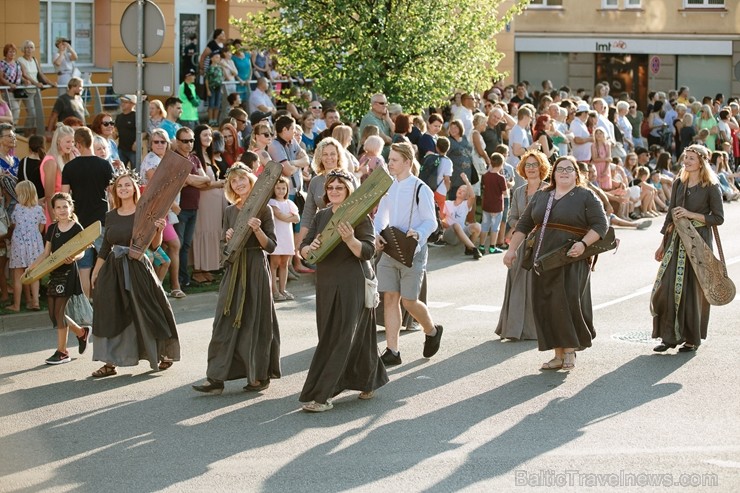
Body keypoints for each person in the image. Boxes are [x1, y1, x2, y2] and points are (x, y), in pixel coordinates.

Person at [503, 155, 609, 370]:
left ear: (576, 173)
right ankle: (558, 355)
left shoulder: (585, 195)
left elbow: (601, 225)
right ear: (554, 172)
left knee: (568, 303)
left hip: (572, 258)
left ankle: (569, 351)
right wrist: (511, 250)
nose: (564, 172)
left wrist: (583, 244)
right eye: (560, 168)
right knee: (547, 305)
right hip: (543, 260)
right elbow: (524, 224)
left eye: (569, 169)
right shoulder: (543, 195)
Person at [298, 169, 388, 412]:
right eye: (330, 188)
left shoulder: (359, 216)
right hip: (326, 283)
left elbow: (368, 251)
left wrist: (350, 239)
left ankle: (322, 395)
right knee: (347, 334)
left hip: (352, 283)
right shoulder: (321, 215)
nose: (334, 191)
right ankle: (369, 379)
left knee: (340, 337)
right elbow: (304, 248)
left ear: (349, 190)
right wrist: (309, 249)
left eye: (339, 187)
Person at [192, 163, 280, 394]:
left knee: (254, 322)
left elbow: (271, 246)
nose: (238, 184)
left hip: (255, 268)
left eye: (242, 179)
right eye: (233, 181)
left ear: (251, 180)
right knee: (223, 320)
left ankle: (258, 376)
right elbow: (225, 248)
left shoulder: (264, 209)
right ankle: (216, 378)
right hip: (234, 271)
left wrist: (258, 230)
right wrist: (229, 237)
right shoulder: (230, 211)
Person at [90, 171, 179, 378]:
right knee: (111, 313)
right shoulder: (110, 215)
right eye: (120, 186)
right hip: (114, 268)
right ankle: (109, 363)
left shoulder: (144, 211)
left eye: (127, 185)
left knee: (149, 309)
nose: (123, 189)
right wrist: (96, 271)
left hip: (138, 265)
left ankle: (161, 352)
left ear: (135, 188)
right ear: (115, 190)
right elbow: (105, 246)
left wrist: (158, 229)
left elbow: (155, 246)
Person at [374, 142, 443, 366]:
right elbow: (381, 217)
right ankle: (392, 351)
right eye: (389, 159)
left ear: (407, 161)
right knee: (390, 298)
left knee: (410, 301)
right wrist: (376, 233)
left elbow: (431, 222)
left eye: (394, 160)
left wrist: (419, 233)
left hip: (413, 251)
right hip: (390, 249)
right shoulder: (389, 186)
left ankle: (431, 330)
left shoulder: (420, 188)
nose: (390, 163)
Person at [651, 145, 724, 353]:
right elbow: (669, 216)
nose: (686, 161)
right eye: (685, 157)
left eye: (691, 158)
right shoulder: (678, 183)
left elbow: (718, 218)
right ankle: (668, 337)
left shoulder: (711, 186)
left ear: (701, 161)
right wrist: (663, 243)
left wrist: (691, 214)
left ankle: (691, 339)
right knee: (667, 286)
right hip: (676, 240)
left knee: (693, 290)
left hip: (698, 242)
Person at [25, 192, 89, 364]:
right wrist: (31, 268)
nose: (62, 210)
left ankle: (62, 352)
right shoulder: (52, 229)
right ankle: (81, 333)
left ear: (70, 208)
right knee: (53, 314)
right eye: (58, 207)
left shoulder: (76, 227)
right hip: (55, 273)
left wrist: (74, 257)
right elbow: (46, 253)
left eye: (65, 207)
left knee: (59, 312)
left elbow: (82, 250)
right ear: (53, 210)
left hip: (69, 273)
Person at [496, 150, 550, 341]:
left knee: (538, 286)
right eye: (528, 165)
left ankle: (536, 330)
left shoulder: (549, 190)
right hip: (521, 242)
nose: (531, 168)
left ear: (542, 167)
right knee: (518, 282)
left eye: (535, 165)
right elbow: (511, 217)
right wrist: (521, 227)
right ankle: (514, 328)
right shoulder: (519, 191)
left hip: (543, 242)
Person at [61, 127, 115, 298]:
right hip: (101, 220)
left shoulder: (69, 167)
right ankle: (105, 300)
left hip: (79, 222)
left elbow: (64, 196)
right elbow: (113, 193)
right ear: (92, 141)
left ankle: (86, 303)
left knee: (84, 268)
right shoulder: (104, 165)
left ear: (77, 143)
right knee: (105, 264)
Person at [139, 128, 184, 298]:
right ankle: (166, 286)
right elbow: (157, 184)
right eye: (156, 142)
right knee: (170, 246)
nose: (159, 144)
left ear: (168, 144)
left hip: (162, 211)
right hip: (152, 211)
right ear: (151, 144)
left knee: (163, 250)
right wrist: (173, 205)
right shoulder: (151, 159)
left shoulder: (165, 159)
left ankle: (159, 287)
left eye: (162, 141)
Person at [173, 127, 211, 290]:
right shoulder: (175, 159)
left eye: (191, 140)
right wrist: (192, 180)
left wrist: (190, 180)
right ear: (177, 142)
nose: (189, 144)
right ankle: (180, 280)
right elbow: (182, 180)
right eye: (185, 141)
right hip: (180, 208)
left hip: (194, 207)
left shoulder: (195, 158)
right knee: (178, 245)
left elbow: (207, 180)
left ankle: (185, 277)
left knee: (187, 245)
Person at [190, 124, 225, 285]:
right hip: (204, 201)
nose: (209, 138)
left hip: (215, 202)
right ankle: (197, 269)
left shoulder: (208, 155)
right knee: (202, 232)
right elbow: (203, 183)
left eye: (210, 135)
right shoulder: (195, 156)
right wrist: (220, 183)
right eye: (205, 135)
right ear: (197, 137)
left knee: (213, 232)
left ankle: (206, 268)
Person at [7, 180, 45, 312]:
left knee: (17, 276)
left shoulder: (17, 209)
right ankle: (36, 302)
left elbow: (13, 223)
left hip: (19, 244)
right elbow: (41, 228)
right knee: (34, 275)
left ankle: (16, 305)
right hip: (35, 245)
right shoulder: (39, 209)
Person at [268, 176, 299, 301]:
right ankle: (274, 290)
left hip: (287, 236)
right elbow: (278, 215)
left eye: (283, 188)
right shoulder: (272, 202)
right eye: (278, 188)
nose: (281, 191)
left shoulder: (290, 203)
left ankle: (282, 289)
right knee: (274, 263)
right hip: (277, 235)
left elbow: (297, 219)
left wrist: (287, 217)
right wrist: (289, 217)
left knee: (285, 263)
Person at [40, 124, 76, 228]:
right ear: (58, 141)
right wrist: (55, 222)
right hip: (55, 213)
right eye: (68, 141)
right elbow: (49, 195)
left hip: (66, 211)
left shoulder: (65, 158)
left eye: (73, 142)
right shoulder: (51, 161)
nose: (71, 145)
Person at [441, 173, 482, 259]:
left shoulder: (466, 205)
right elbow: (440, 220)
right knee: (456, 225)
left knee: (477, 226)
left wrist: (466, 180)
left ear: (466, 196)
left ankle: (468, 248)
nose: (460, 191)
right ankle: (473, 248)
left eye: (463, 191)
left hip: (461, 233)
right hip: (449, 234)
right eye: (459, 189)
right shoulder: (447, 203)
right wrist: (449, 226)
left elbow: (473, 196)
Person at [18, 40, 55, 132]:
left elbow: (41, 74)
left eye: (31, 47)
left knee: (38, 113)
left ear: (33, 49)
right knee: (32, 113)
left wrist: (51, 82)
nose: (29, 50)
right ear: (23, 49)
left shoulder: (35, 60)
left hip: (36, 90)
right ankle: (26, 135)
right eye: (26, 47)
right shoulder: (20, 60)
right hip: (27, 90)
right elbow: (25, 74)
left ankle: (32, 134)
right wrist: (36, 83)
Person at [478, 152, 508, 255]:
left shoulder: (485, 176)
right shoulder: (501, 178)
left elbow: (484, 188)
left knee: (485, 226)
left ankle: (481, 246)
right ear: (501, 164)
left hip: (486, 205)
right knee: (495, 227)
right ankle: (492, 247)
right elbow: (504, 192)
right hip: (497, 206)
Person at [18, 135, 45, 199]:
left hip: (27, 200)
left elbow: (20, 180)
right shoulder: (45, 162)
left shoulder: (23, 161)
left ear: (29, 147)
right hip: (42, 200)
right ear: (43, 146)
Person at [205, 53, 224, 126]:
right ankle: (210, 120)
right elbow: (206, 79)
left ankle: (215, 120)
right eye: (216, 57)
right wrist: (207, 90)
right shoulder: (209, 68)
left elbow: (221, 78)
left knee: (217, 105)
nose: (218, 59)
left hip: (219, 88)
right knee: (211, 104)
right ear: (212, 58)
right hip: (211, 87)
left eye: (219, 57)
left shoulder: (220, 68)